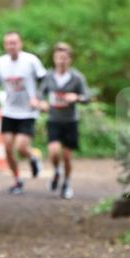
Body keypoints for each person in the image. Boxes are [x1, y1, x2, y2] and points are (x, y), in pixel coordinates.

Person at [0, 31, 45, 193]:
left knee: (21, 147)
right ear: (5, 45)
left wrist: (38, 99)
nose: (12, 46)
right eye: (8, 43)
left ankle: (33, 157)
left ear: (20, 44)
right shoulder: (0, 63)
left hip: (28, 111)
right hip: (9, 110)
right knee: (8, 148)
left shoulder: (31, 61)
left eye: (14, 42)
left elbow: (45, 81)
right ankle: (17, 180)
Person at [35, 41, 91, 199]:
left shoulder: (77, 77)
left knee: (66, 156)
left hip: (70, 121)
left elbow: (87, 97)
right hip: (54, 119)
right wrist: (41, 103)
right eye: (59, 57)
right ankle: (57, 172)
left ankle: (66, 182)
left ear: (69, 59)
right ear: (54, 59)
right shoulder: (48, 76)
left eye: (65, 58)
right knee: (53, 152)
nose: (61, 61)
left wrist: (77, 97)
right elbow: (40, 95)